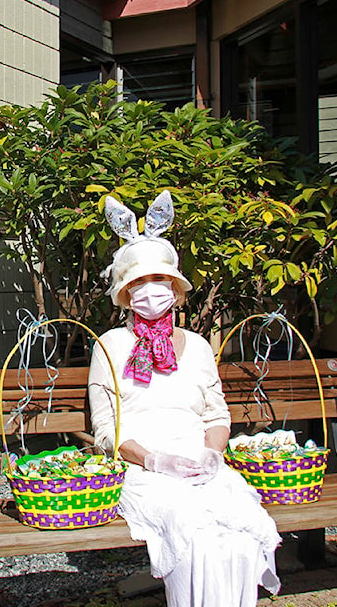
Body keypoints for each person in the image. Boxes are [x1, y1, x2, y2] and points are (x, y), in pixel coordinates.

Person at [87, 191, 281, 607]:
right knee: (192, 534)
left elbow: (216, 413)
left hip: (202, 465)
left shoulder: (196, 345)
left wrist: (212, 455)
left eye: (159, 281)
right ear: (124, 293)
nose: (150, 291)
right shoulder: (109, 345)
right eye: (138, 283)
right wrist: (154, 460)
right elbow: (106, 429)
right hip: (145, 472)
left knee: (238, 535)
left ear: (175, 289)